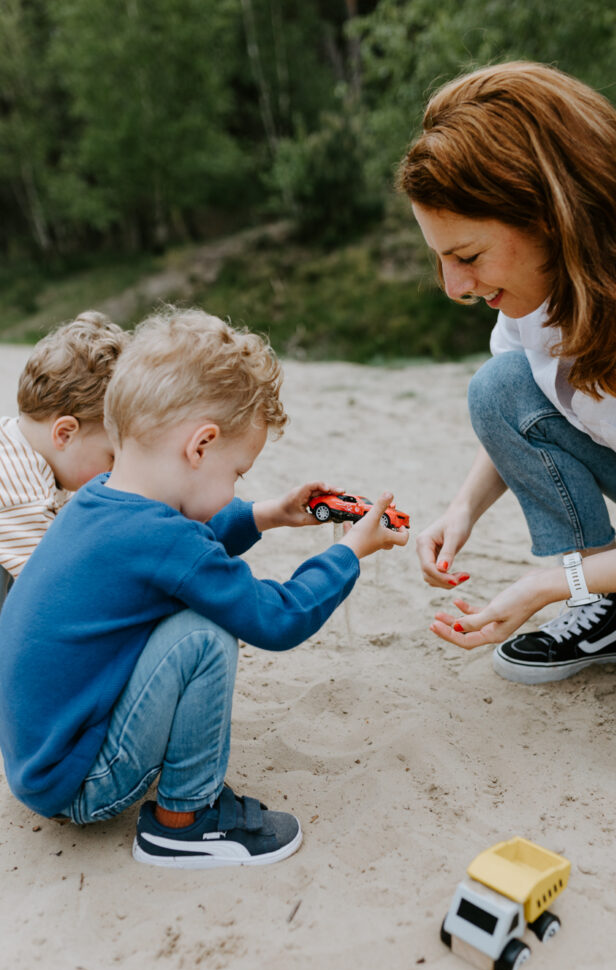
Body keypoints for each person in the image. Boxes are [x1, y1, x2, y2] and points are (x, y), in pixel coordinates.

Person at [0, 307, 409, 867]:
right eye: (237, 472)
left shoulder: (99, 498)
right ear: (200, 446)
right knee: (203, 633)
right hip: (80, 782)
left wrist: (268, 514)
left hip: (40, 761)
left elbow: (180, 552)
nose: (236, 483)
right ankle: (186, 820)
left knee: (187, 612)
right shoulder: (158, 537)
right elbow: (278, 618)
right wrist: (348, 552)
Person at [399, 62, 616, 777]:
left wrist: (552, 584)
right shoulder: (545, 288)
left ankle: (599, 587)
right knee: (499, 386)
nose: (455, 288)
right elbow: (521, 403)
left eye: (466, 256)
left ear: (553, 219)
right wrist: (462, 510)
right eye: (441, 260)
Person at [0, 311, 128, 608]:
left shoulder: (18, 440)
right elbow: (61, 590)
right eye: (112, 456)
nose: (115, 470)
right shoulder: (22, 497)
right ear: (66, 433)